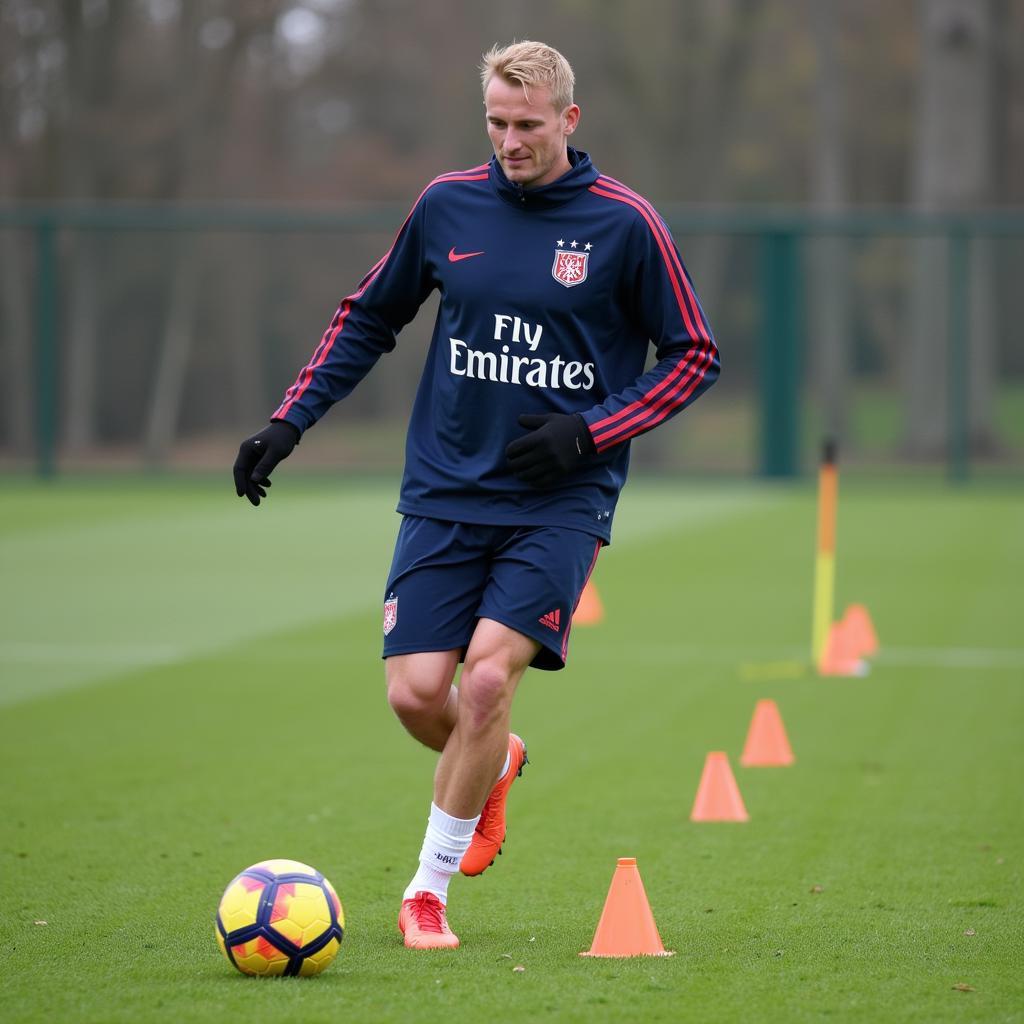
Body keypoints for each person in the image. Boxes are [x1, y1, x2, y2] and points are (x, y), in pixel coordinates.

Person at [233, 40, 720, 950]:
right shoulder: (446, 203)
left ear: (569, 121)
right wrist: (288, 423)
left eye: (528, 125)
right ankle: (495, 766)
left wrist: (590, 431)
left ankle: (427, 894)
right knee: (419, 697)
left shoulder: (625, 224)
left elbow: (694, 353)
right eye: (496, 123)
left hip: (560, 499)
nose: (510, 141)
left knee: (488, 679)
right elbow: (369, 317)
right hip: (445, 491)